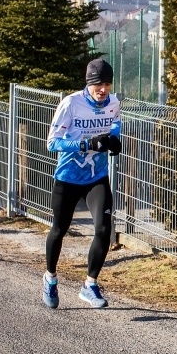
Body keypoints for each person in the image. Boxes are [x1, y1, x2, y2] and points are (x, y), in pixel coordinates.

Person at [42, 58, 122, 309]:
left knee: (102, 230)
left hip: (96, 177)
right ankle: (50, 278)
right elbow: (52, 143)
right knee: (59, 229)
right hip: (68, 177)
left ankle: (89, 284)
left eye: (107, 84)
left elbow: (115, 124)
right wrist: (85, 144)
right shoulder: (71, 104)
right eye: (98, 85)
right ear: (88, 84)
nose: (103, 90)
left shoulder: (113, 102)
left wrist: (114, 140)